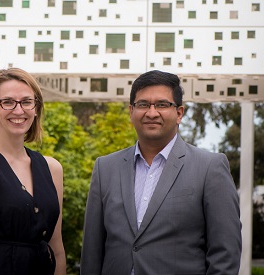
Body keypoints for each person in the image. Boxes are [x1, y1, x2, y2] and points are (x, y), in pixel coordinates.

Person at [80, 70, 241, 274]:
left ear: (179, 113)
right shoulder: (105, 168)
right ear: (131, 111)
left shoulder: (210, 167)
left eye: (162, 105)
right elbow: (91, 253)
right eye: (143, 104)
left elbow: (225, 255)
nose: (152, 112)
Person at [0, 68, 66, 275]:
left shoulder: (53, 168)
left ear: (36, 108)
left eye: (27, 102)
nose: (18, 110)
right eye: (8, 102)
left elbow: (58, 248)